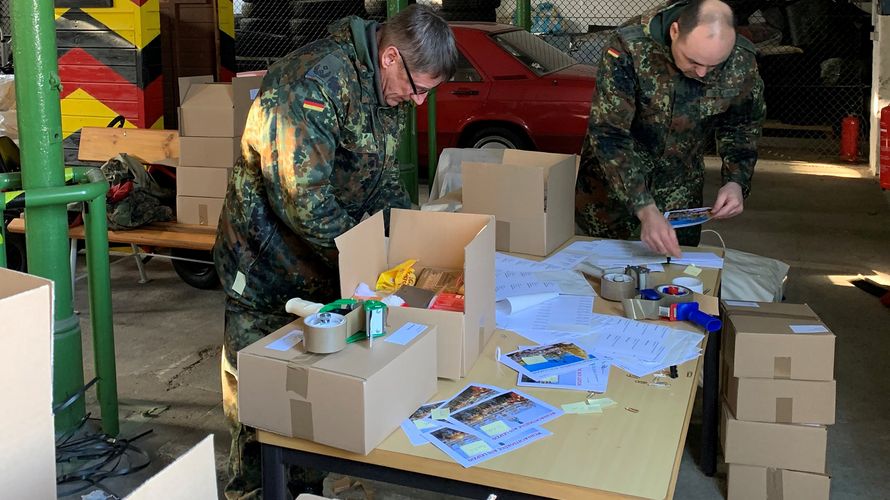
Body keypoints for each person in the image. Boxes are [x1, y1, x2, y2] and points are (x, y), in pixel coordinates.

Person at [212, 5, 457, 498]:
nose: (418, 103)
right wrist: (367, 264)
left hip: (326, 276)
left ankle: (305, 492)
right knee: (263, 416)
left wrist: (406, 244)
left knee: (310, 408)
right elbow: (304, 201)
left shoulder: (381, 88)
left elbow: (382, 178)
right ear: (391, 57)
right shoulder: (311, 84)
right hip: (266, 276)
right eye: (419, 89)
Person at [575, 0, 765, 257]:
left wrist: (735, 181)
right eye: (693, 61)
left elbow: (742, 126)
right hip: (612, 197)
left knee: (672, 282)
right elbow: (609, 133)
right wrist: (644, 208)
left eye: (713, 66)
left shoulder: (741, 60)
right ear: (675, 32)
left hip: (679, 199)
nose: (701, 73)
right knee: (607, 280)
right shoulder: (629, 48)